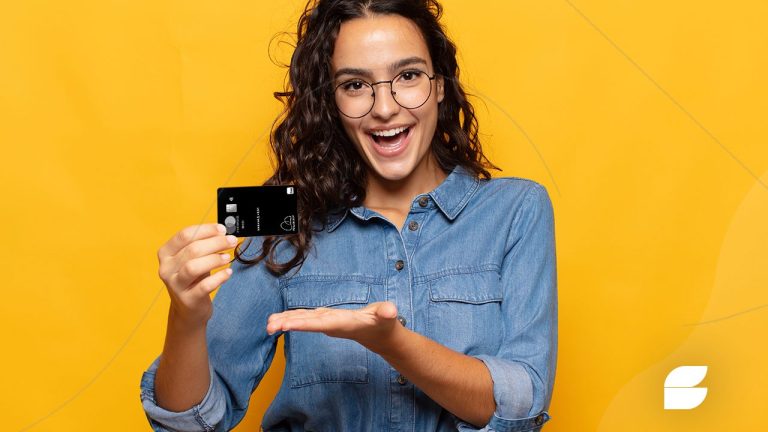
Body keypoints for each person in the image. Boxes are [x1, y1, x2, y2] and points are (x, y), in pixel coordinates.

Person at [139, 0, 557, 431]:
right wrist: (184, 318)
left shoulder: (516, 210)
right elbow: (188, 424)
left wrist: (394, 344)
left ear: (439, 85)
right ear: (332, 101)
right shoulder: (285, 220)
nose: (384, 107)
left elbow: (521, 403)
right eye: (355, 85)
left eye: (408, 76)